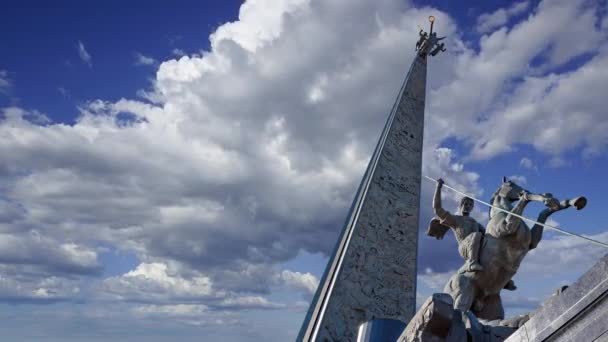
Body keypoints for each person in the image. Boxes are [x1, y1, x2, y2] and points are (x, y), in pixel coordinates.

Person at [432, 178, 485, 273]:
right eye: (465, 204)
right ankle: (472, 263)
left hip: (476, 247)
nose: (468, 206)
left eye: (470, 205)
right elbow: (437, 209)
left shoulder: (475, 222)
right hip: (464, 248)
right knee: (476, 235)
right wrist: (438, 188)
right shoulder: (455, 219)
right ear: (460, 205)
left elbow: (487, 234)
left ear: (472, 207)